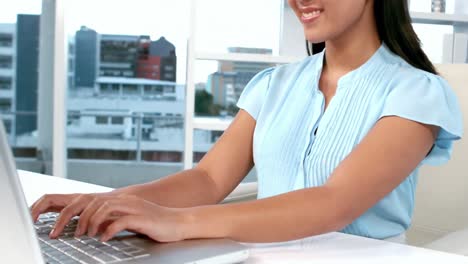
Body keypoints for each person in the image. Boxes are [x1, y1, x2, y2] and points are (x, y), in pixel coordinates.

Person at [31, 0, 463, 244]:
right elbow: (208, 179)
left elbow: (336, 203)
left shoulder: (417, 92)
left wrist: (175, 222)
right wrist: (109, 202)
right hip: (258, 254)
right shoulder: (274, 84)